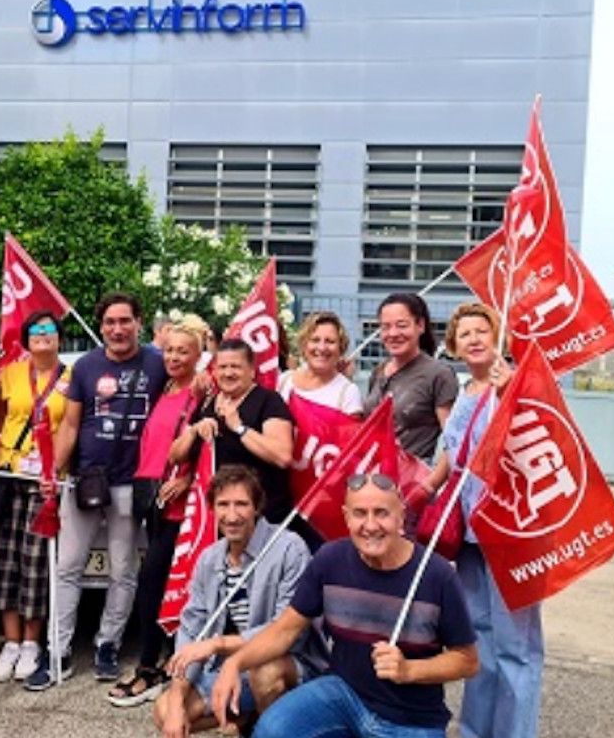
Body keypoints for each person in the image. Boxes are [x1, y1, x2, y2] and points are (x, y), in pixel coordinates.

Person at [213, 473, 478, 738]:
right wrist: (234, 663)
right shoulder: (330, 559)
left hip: (410, 718)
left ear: (401, 517)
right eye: (360, 513)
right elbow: (285, 630)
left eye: (382, 513)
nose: (371, 525)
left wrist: (409, 670)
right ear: (346, 517)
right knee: (271, 729)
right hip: (344, 693)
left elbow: (467, 661)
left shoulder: (437, 574)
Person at [26, 292, 167, 690]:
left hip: (133, 482)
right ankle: (58, 651)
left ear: (139, 322)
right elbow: (70, 425)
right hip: (85, 480)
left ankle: (108, 644)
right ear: (101, 326)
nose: (117, 329)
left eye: (125, 321)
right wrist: (54, 471)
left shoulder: (158, 364)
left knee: (123, 571)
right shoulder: (85, 366)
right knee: (68, 567)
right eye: (110, 322)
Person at [423, 302, 538, 738]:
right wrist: (419, 494)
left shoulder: (517, 383)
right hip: (468, 533)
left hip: (510, 531)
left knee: (518, 647)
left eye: (481, 330)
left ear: (498, 337)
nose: (473, 338)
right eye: (464, 333)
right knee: (480, 640)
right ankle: (475, 730)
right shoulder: (464, 393)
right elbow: (450, 460)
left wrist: (511, 391)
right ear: (453, 344)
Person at [152, 465, 324, 736]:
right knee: (164, 711)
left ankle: (271, 728)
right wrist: (176, 701)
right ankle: (248, 717)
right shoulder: (209, 559)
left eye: (241, 504)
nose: (231, 516)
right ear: (212, 509)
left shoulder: (289, 548)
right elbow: (191, 631)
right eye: (223, 505)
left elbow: (290, 635)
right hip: (232, 665)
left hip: (290, 662)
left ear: (257, 507)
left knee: (265, 674)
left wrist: (216, 645)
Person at [109, 316, 210, 706]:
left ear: (199, 355)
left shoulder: (202, 393)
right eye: (169, 349)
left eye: (184, 351)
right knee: (163, 582)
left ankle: (148, 669)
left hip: (179, 503)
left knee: (154, 582)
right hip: (151, 495)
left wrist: (186, 481)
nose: (174, 356)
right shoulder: (166, 387)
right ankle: (170, 662)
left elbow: (208, 443)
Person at [0, 310, 71, 684]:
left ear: (60, 338)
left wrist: (58, 470)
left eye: (50, 331)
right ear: (26, 338)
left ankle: (32, 644)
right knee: (5, 562)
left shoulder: (72, 378)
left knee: (35, 564)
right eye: (36, 331)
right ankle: (11, 642)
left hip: (47, 482)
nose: (43, 336)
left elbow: (74, 428)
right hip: (10, 475)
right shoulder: (11, 373)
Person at [169, 339, 294, 524]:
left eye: (235, 367)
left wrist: (239, 428)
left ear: (252, 371)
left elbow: (282, 456)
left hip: (260, 516)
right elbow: (174, 456)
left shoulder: (269, 401)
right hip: (212, 518)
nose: (228, 373)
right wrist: (194, 430)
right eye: (222, 367)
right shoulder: (208, 403)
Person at [363, 293, 458, 462]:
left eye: (402, 325)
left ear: (420, 325)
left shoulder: (438, 374)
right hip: (374, 478)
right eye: (385, 327)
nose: (393, 333)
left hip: (411, 480)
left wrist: (430, 483)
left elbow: (454, 441)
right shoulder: (378, 372)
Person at [276, 311, 362, 417]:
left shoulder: (348, 393)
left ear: (341, 347)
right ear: (304, 345)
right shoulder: (283, 382)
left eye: (330, 341)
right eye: (315, 340)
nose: (322, 348)